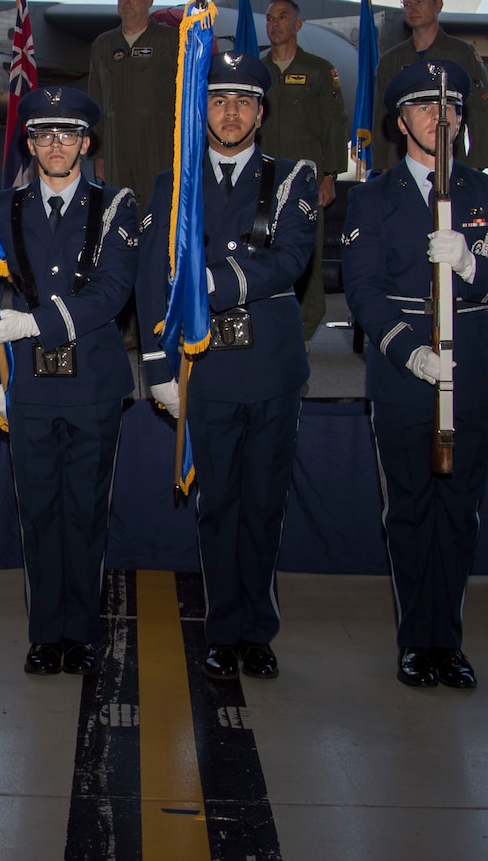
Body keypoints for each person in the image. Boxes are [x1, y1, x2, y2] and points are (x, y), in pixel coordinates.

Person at [341, 60, 488, 691]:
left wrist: (471, 266)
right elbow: (363, 293)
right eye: (423, 107)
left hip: (471, 369)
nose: (437, 117)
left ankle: (447, 641)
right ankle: (415, 642)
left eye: (447, 107)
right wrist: (408, 353)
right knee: (409, 511)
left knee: (459, 512)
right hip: (403, 373)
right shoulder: (371, 198)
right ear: (400, 122)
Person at [136, 51, 318, 682]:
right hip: (204, 366)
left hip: (270, 367)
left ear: (261, 113)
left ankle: (257, 630)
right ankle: (220, 628)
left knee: (263, 504)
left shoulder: (292, 179)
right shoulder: (174, 185)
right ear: (201, 111)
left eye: (244, 101)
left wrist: (213, 281)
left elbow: (290, 259)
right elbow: (151, 277)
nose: (231, 112)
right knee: (216, 506)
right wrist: (158, 367)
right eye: (218, 101)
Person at [0, 86, 140, 677]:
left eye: (67, 135)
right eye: (43, 135)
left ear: (85, 144)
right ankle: (46, 634)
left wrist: (34, 322)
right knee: (39, 513)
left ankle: (81, 631)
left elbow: (112, 291)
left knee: (86, 513)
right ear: (30, 144)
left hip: (92, 382)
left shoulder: (116, 207)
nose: (55, 145)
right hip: (28, 384)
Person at [257, 0, 350, 341]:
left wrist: (330, 176)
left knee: (307, 253)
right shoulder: (257, 73)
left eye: (282, 17)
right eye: (270, 18)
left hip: (305, 180)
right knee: (263, 251)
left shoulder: (319, 70)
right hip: (264, 179)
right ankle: (268, 324)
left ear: (297, 24)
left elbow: (335, 125)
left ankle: (305, 329)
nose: (275, 24)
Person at [371, 0, 488, 172]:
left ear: (438, 5)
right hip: (401, 163)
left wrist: (476, 164)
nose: (412, 9)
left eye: (419, 2)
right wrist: (383, 166)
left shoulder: (461, 54)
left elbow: (481, 110)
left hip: (451, 161)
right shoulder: (391, 60)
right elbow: (381, 115)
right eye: (407, 4)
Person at [84, 0, 183, 199]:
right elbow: (95, 102)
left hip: (160, 147)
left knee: (159, 209)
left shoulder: (171, 41)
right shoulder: (103, 45)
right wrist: (98, 154)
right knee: (119, 208)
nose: (126, 1)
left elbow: (187, 97)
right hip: (115, 150)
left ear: (150, 0)